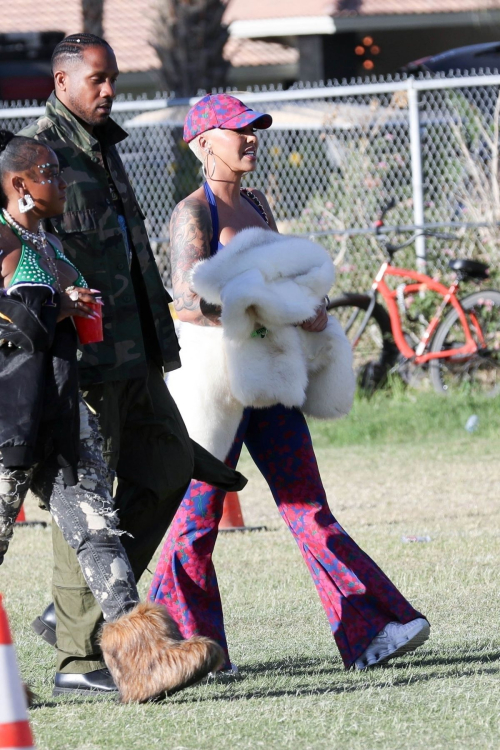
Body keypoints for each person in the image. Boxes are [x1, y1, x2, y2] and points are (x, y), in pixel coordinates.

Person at [149, 93, 431, 673]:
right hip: (218, 392)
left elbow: (281, 279)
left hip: (271, 378)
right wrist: (268, 310)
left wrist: (312, 305)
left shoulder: (256, 202)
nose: (251, 138)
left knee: (309, 508)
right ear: (203, 143)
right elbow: (186, 303)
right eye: (238, 131)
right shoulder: (191, 214)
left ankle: (373, 630)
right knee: (196, 521)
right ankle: (181, 652)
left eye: (255, 129)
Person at [20, 34, 244, 695]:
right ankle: (79, 663)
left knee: (171, 466)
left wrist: (157, 348)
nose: (110, 88)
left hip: (137, 355)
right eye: (97, 79)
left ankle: (72, 615)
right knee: (81, 508)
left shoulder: (104, 145)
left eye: (114, 77)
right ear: (63, 84)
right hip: (80, 365)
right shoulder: (38, 156)